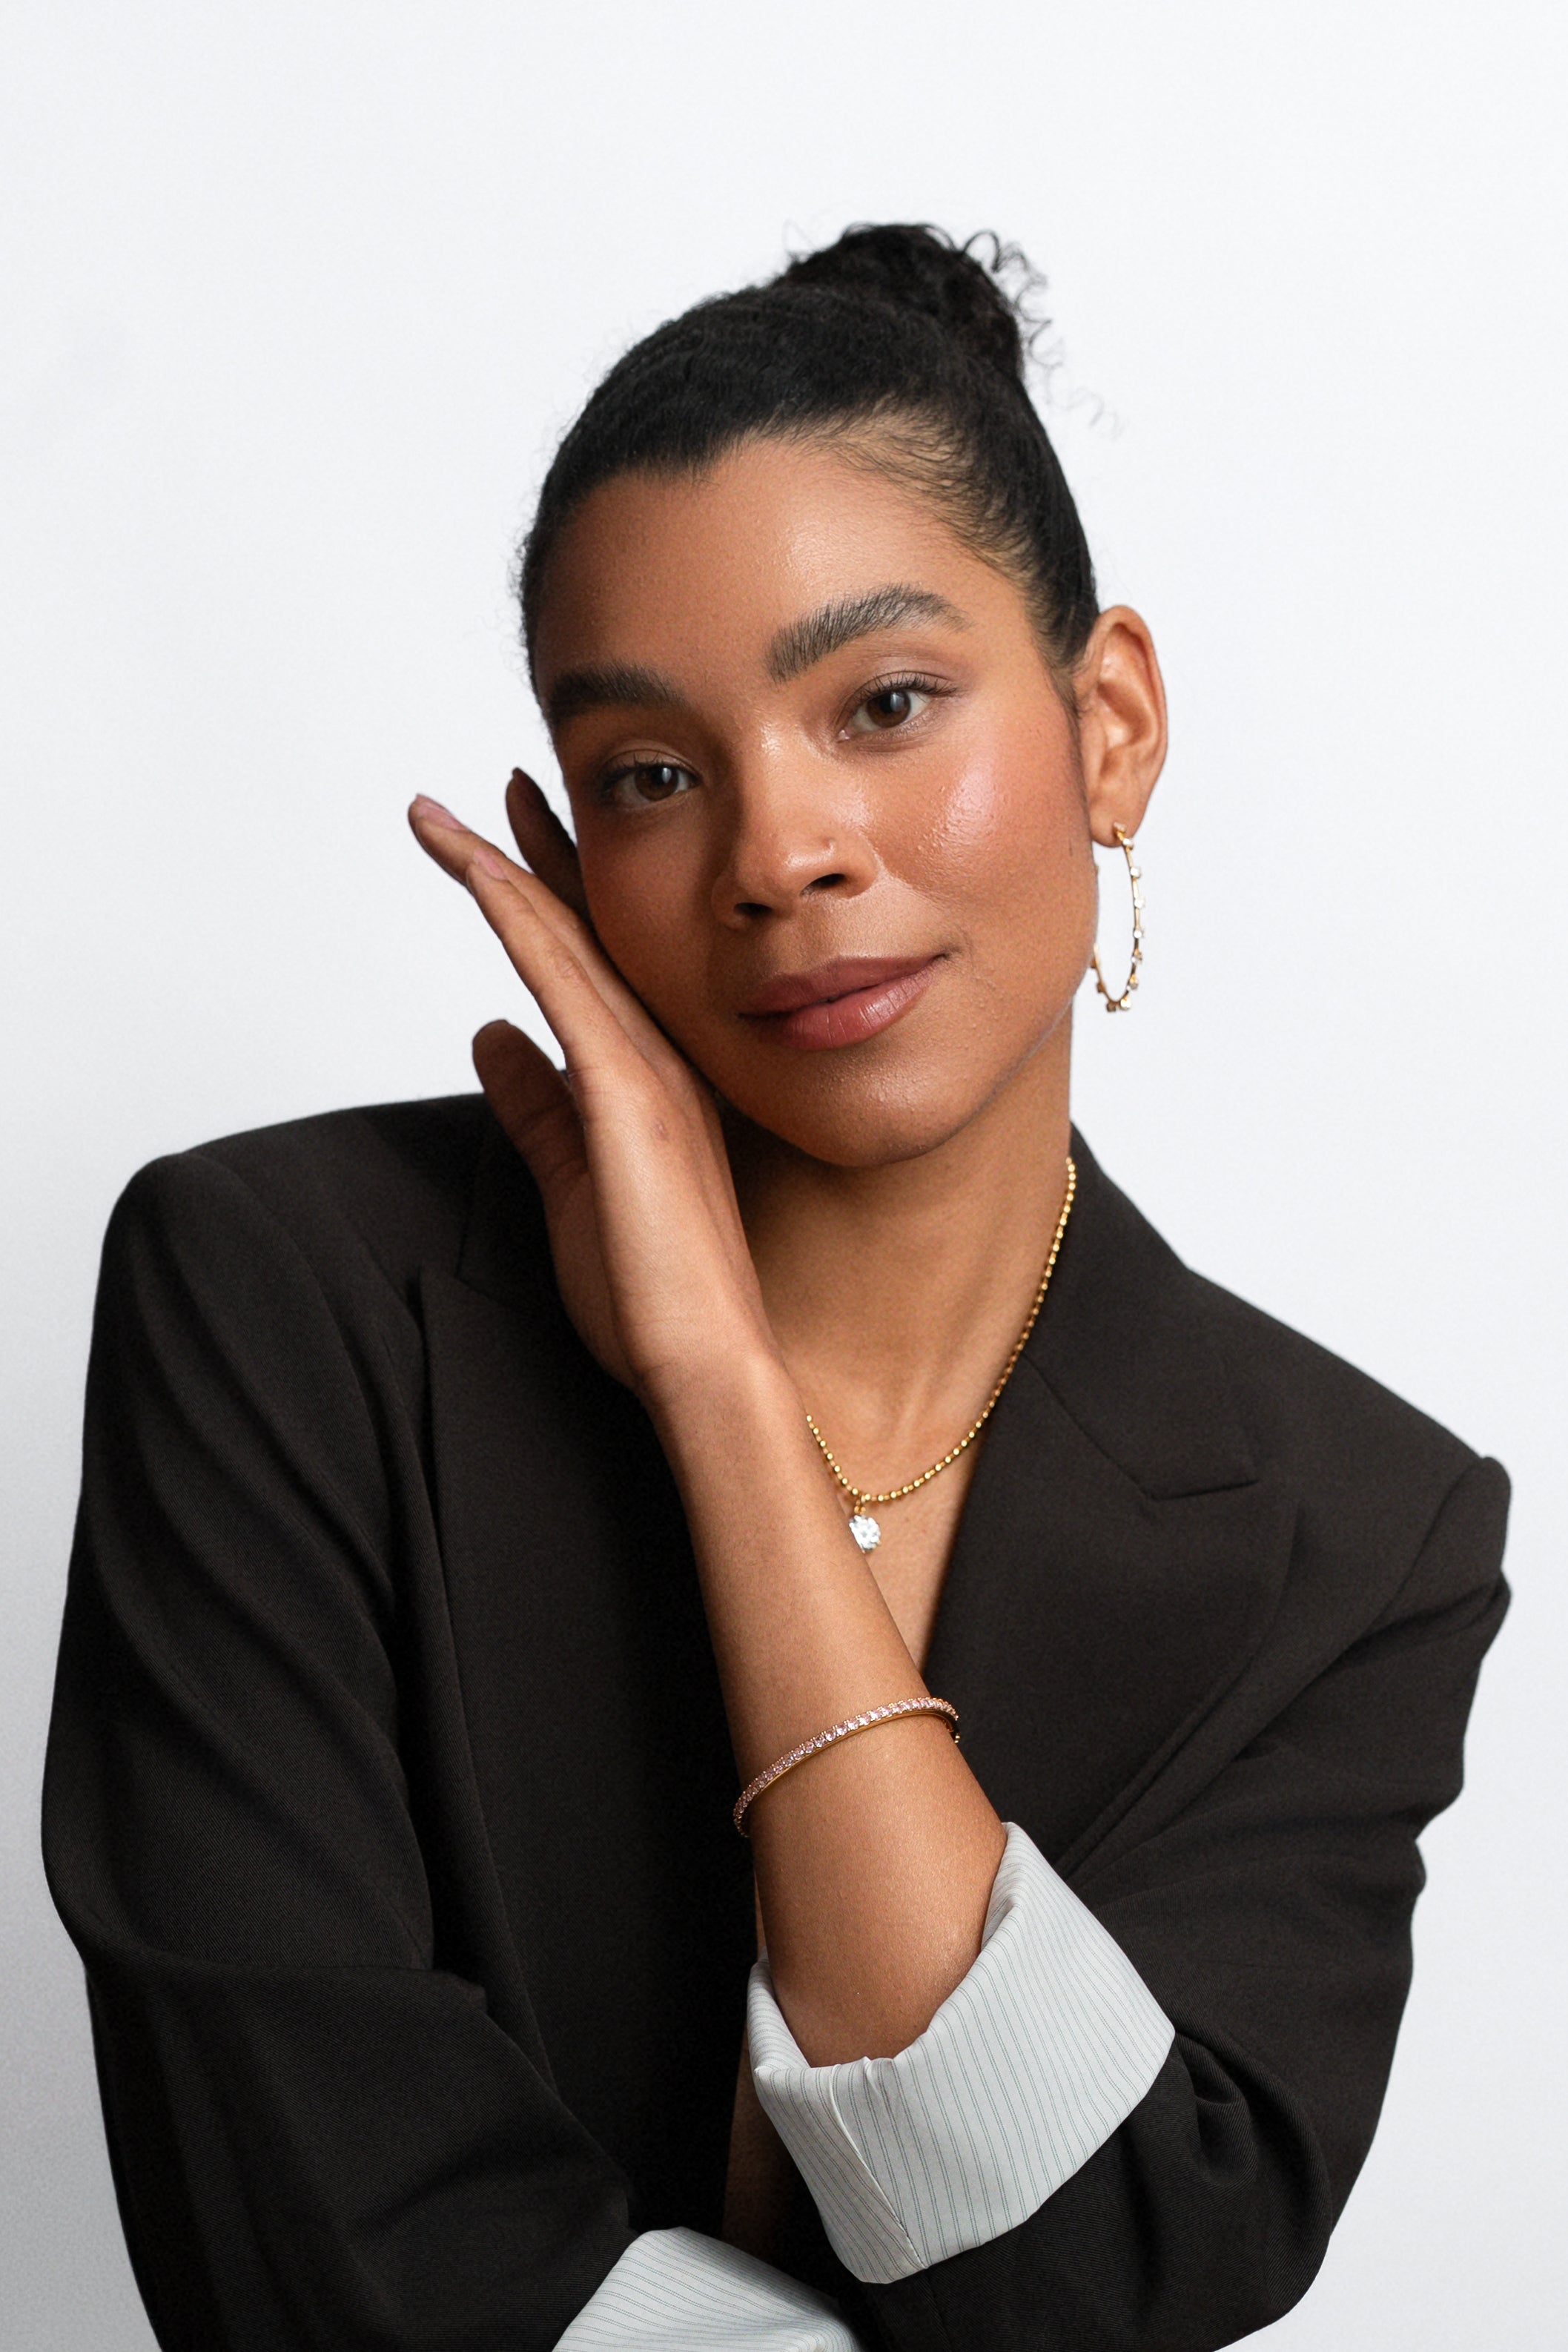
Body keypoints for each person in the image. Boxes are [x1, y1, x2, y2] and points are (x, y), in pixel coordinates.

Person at [43, 224, 1509, 2352]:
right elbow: (313, 2247)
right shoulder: (282, 1303)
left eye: (884, 705)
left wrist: (723, 1391)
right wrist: (704, 1358)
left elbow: (1109, 2269)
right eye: (654, 774)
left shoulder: (1358, 1535)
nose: (775, 851)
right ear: (575, 856)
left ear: (1109, 726)